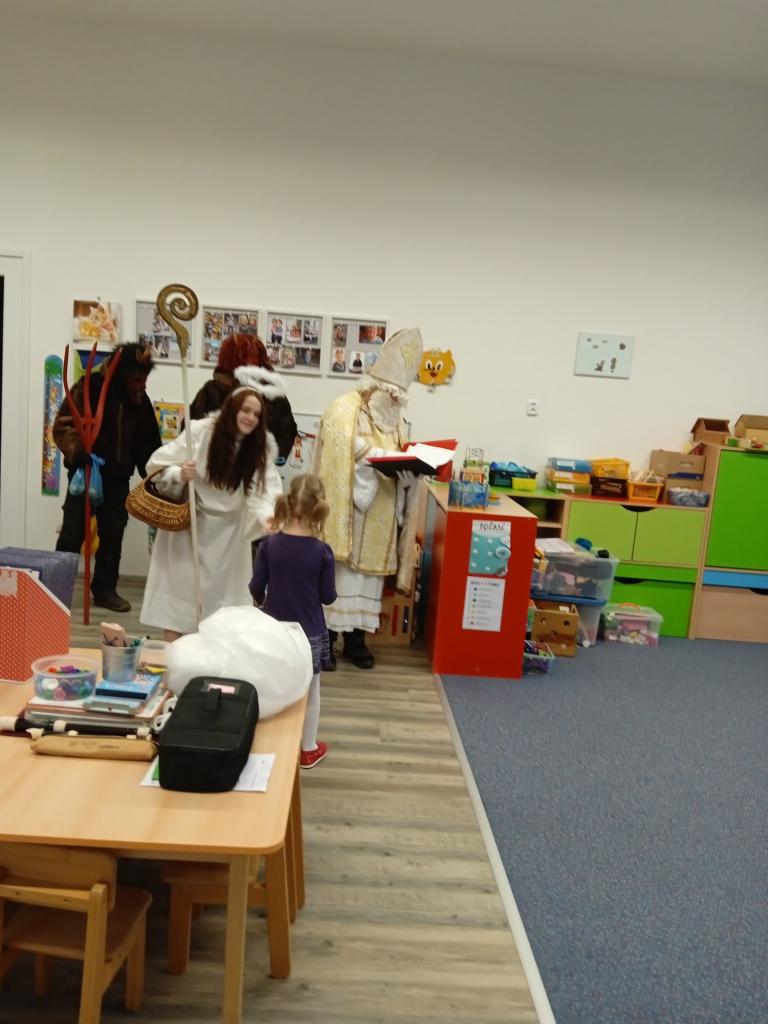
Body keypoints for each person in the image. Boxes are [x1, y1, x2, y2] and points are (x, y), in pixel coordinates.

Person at [312, 327, 423, 669]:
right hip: (349, 512)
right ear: (374, 387)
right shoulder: (344, 408)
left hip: (383, 513)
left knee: (369, 582)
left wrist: (409, 475)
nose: (394, 403)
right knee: (339, 578)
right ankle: (328, 641)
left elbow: (400, 457)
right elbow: (338, 450)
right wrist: (374, 457)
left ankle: (357, 641)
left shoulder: (395, 422)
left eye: (399, 399)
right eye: (390, 395)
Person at [140, 387, 283, 640]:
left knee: (222, 613)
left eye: (256, 414)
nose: (250, 418)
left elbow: (265, 492)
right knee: (179, 603)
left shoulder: (257, 448)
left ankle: (211, 659)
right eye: (246, 410)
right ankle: (175, 657)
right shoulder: (200, 432)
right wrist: (179, 474)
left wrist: (267, 516)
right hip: (189, 530)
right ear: (232, 409)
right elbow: (156, 465)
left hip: (229, 539)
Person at [54, 342, 161, 613]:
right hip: (85, 473)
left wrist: (156, 478)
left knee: (113, 535)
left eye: (145, 378)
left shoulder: (139, 401)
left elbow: (148, 444)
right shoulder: (88, 387)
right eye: (138, 379)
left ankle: (104, 590)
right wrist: (77, 451)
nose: (143, 385)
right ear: (123, 373)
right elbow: (64, 425)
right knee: (71, 534)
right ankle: (55, 591)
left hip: (117, 478)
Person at [249, 474, 336, 769]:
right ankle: (308, 749)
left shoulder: (269, 545)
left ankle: (271, 744)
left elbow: (256, 586)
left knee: (272, 686)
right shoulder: (322, 552)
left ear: (288, 502)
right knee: (311, 691)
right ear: (318, 509)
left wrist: (262, 601)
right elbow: (328, 596)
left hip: (274, 631)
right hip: (308, 632)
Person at [189, 333, 297, 462]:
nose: (249, 363)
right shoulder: (212, 390)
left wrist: (276, 457)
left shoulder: (272, 394)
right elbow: (191, 427)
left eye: (254, 357)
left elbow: (287, 429)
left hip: (258, 464)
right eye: (244, 357)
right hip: (217, 462)